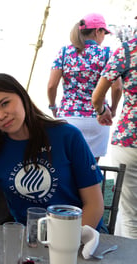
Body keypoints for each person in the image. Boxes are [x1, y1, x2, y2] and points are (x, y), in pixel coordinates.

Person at [0, 73, 105, 231]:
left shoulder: (67, 136)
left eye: (5, 103)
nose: (1, 115)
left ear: (22, 97)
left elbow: (94, 205)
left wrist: (67, 244)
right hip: (29, 243)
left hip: (81, 236)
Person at [47, 13, 122, 162]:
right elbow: (118, 87)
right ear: (97, 31)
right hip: (98, 118)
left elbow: (51, 86)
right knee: (91, 170)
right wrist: (112, 109)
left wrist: (53, 106)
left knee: (66, 167)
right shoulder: (106, 53)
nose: (104, 36)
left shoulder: (64, 52)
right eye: (104, 33)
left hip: (68, 118)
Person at [92, 35, 137, 239]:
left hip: (130, 139)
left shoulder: (129, 50)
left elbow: (97, 96)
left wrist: (103, 111)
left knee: (130, 214)